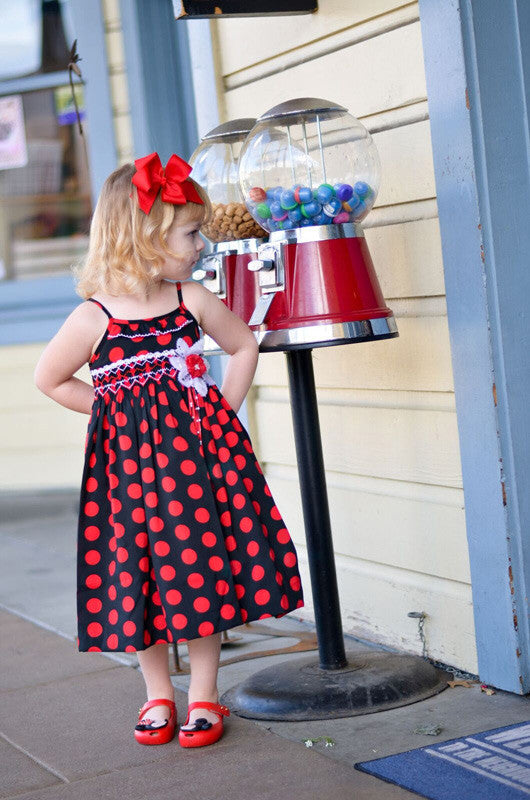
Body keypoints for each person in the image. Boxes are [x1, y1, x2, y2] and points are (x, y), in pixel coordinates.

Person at [33, 152, 304, 749]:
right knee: (141, 575)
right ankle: (158, 693)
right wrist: (109, 414)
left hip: (194, 470)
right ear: (144, 236)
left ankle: (203, 694)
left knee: (199, 569)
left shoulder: (191, 300)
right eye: (190, 233)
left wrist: (220, 414)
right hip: (126, 475)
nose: (202, 244)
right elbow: (50, 379)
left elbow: (243, 348)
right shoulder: (93, 318)